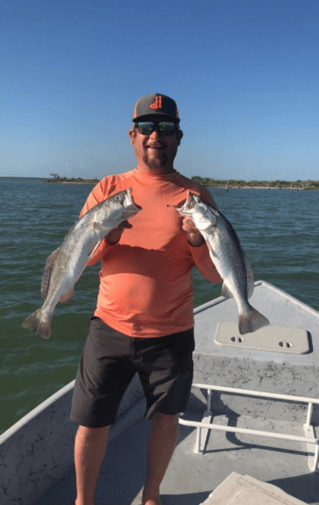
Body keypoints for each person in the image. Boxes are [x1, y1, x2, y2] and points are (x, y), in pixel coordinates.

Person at [70, 93, 222, 505]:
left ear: (179, 138)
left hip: (171, 334)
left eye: (167, 128)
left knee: (166, 419)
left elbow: (212, 274)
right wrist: (110, 237)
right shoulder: (108, 188)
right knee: (91, 422)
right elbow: (81, 259)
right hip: (110, 328)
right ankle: (84, 501)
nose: (157, 135)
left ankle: (151, 496)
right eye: (148, 127)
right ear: (133, 136)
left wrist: (194, 240)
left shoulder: (196, 196)